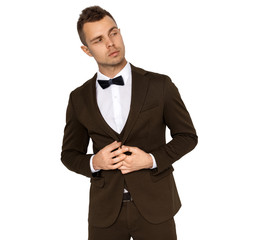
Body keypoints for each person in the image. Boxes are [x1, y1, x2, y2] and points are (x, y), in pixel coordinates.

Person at [61, 5, 197, 240]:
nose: (110, 43)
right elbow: (69, 154)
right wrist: (95, 161)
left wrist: (151, 160)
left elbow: (187, 136)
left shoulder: (160, 85)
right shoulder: (78, 98)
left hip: (156, 208)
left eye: (113, 33)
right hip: (105, 214)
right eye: (99, 40)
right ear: (87, 50)